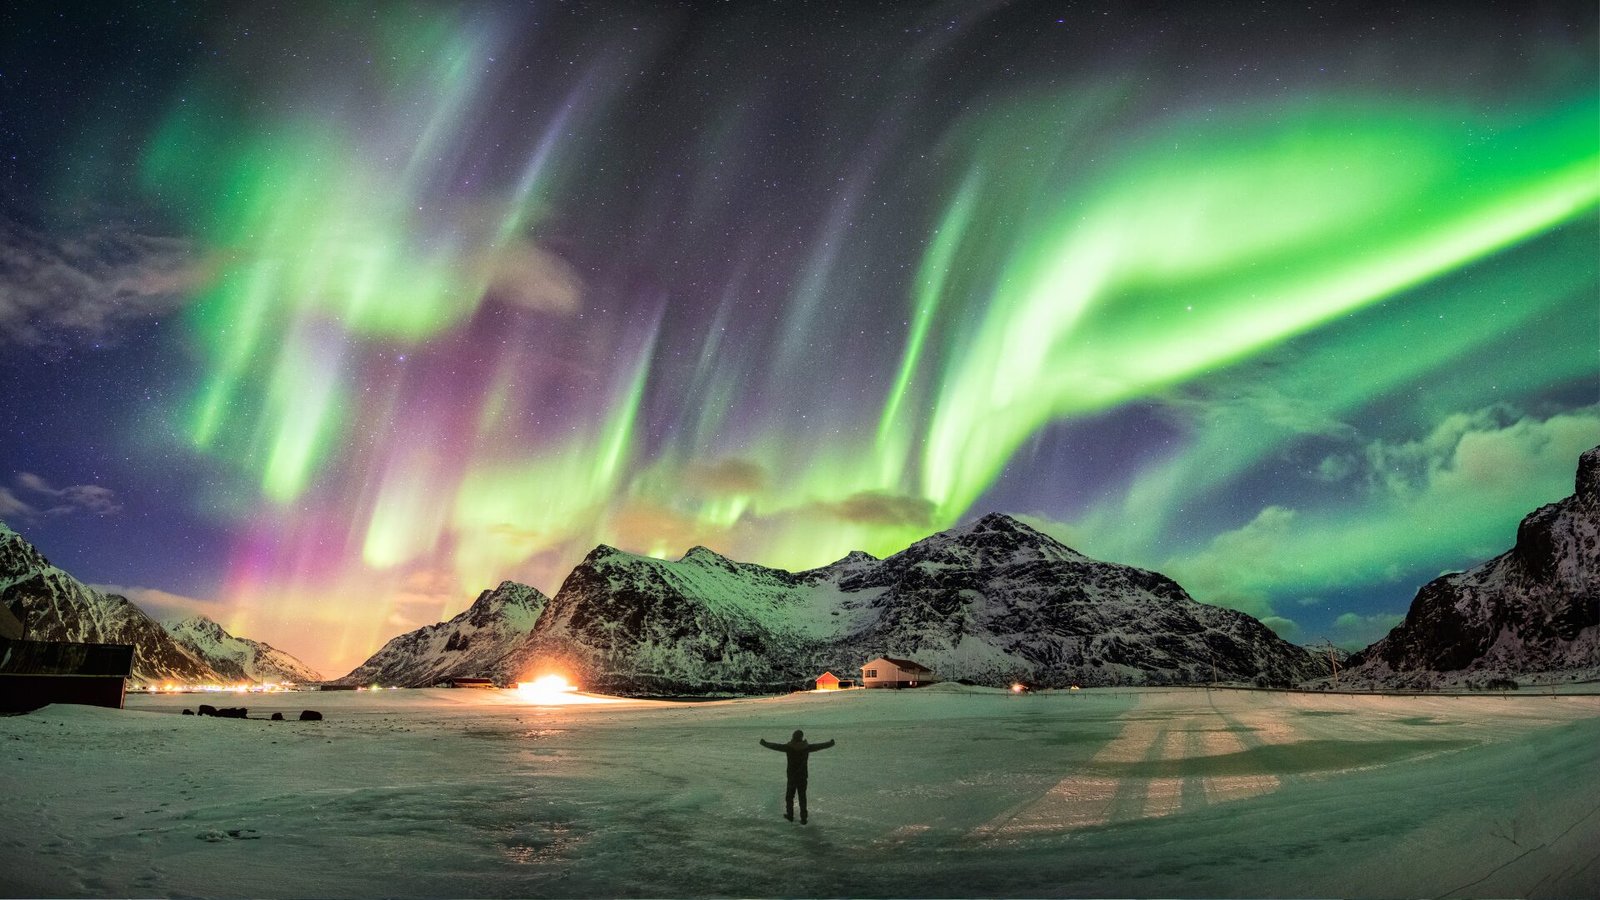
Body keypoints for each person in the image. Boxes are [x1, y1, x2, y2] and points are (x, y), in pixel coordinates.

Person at [759, 729, 835, 824]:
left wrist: (764, 743)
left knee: (789, 797)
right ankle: (803, 818)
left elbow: (775, 746)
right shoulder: (806, 747)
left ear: (793, 737)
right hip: (803, 776)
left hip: (792, 777)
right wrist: (830, 743)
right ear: (801, 737)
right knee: (802, 797)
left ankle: (790, 815)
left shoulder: (789, 747)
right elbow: (819, 746)